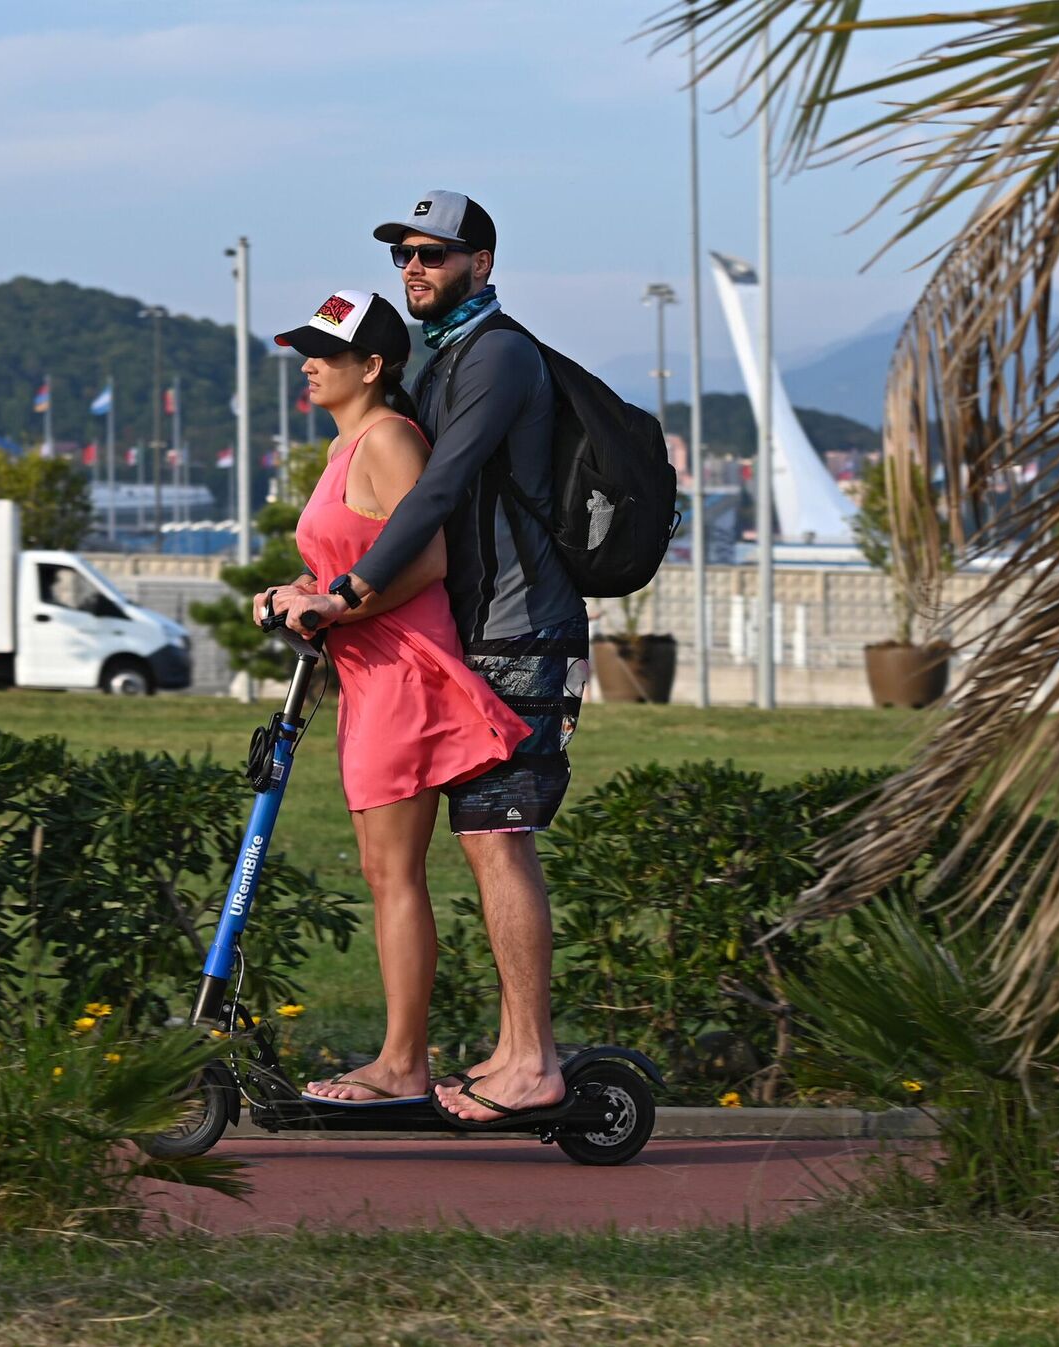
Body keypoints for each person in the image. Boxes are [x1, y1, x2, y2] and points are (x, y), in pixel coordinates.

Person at [278, 193, 588, 1126]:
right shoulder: (448, 358)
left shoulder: (496, 354)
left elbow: (439, 491)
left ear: (481, 264)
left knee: (498, 838)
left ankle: (531, 1060)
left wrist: (351, 591)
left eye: (435, 255)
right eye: (404, 255)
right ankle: (504, 1054)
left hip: (521, 626)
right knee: (478, 841)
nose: (414, 268)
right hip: (477, 630)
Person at [257, 289, 529, 1108]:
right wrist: (296, 591)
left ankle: (403, 1062)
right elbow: (354, 554)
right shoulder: (347, 447)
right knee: (384, 872)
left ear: (372, 366)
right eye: (306, 349)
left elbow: (428, 559)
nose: (307, 364)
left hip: (404, 672)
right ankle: (400, 1055)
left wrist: (338, 601)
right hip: (367, 674)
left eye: (324, 352)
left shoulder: (388, 439)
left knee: (395, 873)